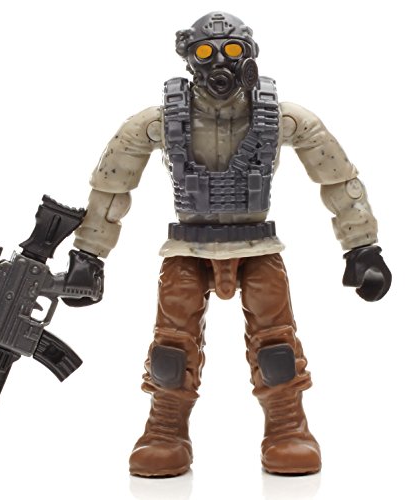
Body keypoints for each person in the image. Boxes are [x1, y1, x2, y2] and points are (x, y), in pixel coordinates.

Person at [64, 11, 391, 476]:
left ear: (250, 56)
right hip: (188, 248)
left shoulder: (280, 117)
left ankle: (287, 427)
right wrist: (89, 254)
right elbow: (113, 186)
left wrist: (362, 247)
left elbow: (336, 176)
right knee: (171, 346)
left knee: (275, 343)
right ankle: (165, 428)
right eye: (205, 52)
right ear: (189, 60)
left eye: (233, 50)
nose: (220, 61)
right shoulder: (160, 121)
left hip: (256, 245)